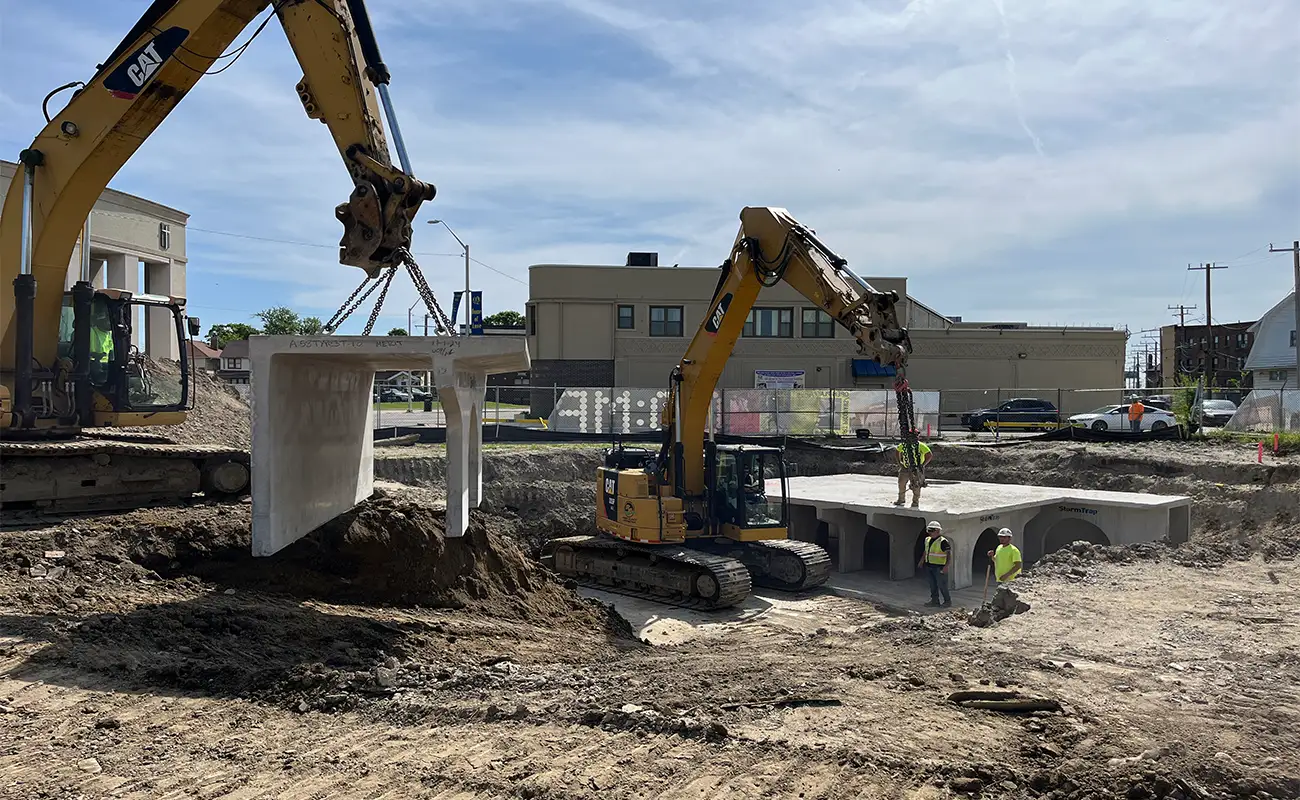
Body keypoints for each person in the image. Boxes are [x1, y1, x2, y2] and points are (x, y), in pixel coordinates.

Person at [917, 520, 951, 607]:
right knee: (932, 585)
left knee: (942, 585)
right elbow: (926, 551)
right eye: (929, 530)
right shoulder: (927, 540)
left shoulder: (943, 541)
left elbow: (948, 554)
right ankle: (935, 601)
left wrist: (946, 566)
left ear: (938, 531)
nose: (930, 533)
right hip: (929, 566)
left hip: (939, 567)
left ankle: (947, 601)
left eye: (931, 531)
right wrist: (922, 561)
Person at [894, 432, 933, 508]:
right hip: (905, 468)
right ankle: (901, 499)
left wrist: (922, 465)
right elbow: (897, 451)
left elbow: (929, 455)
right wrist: (900, 463)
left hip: (916, 469)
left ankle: (915, 502)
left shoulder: (921, 446)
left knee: (916, 485)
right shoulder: (904, 445)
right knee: (901, 483)